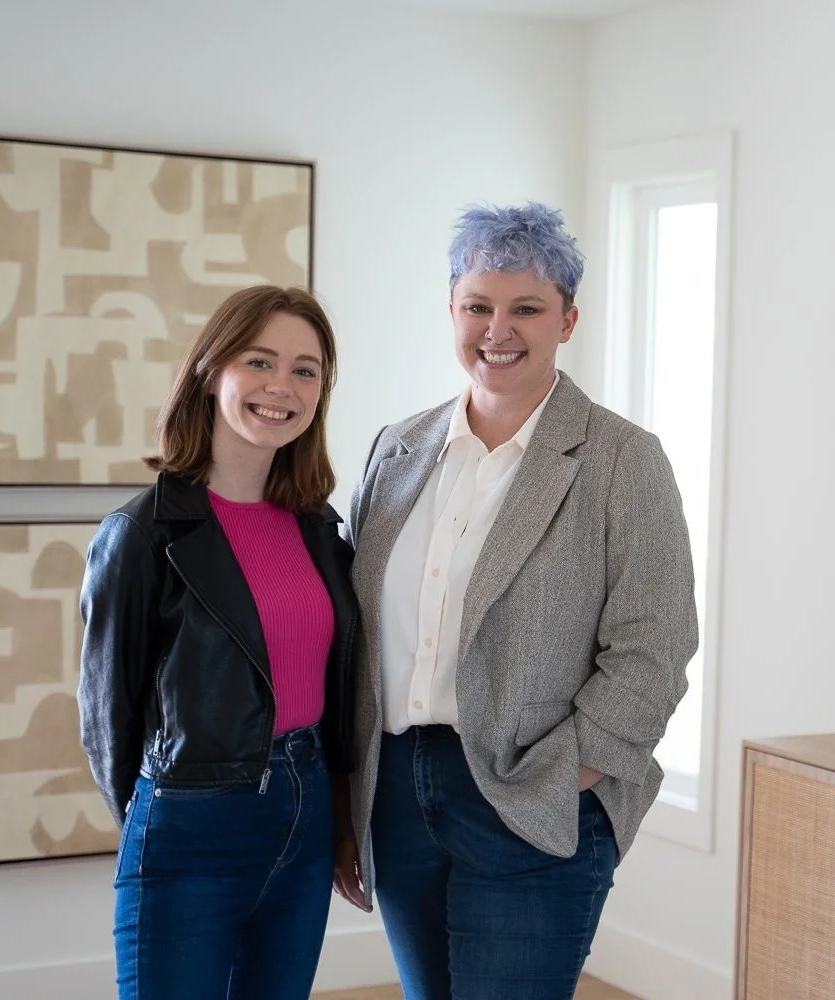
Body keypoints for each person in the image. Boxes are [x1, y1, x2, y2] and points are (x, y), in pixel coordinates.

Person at [333, 203, 699, 1000]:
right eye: (478, 307)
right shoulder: (396, 450)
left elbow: (656, 642)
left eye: (526, 308)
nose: (498, 329)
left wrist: (571, 771)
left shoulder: (620, 458)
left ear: (568, 320)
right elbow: (356, 632)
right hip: (396, 789)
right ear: (452, 312)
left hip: (533, 790)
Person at [78, 284, 357, 1000]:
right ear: (211, 370)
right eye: (259, 361)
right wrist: (164, 823)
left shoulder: (320, 530)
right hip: (191, 821)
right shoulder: (142, 536)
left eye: (306, 369)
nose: (282, 386)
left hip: (306, 811)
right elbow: (107, 719)